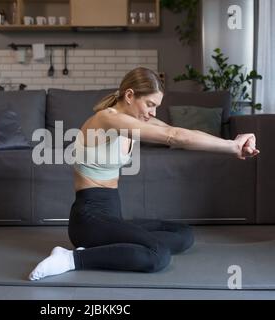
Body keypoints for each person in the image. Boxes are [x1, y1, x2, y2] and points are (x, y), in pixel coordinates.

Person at [29, 67, 260, 281]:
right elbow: (174, 137)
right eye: (150, 104)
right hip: (90, 221)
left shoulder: (132, 119)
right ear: (129, 96)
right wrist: (232, 147)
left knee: (183, 234)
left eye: (156, 107)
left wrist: (232, 143)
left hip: (112, 216)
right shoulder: (106, 119)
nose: (153, 112)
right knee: (158, 255)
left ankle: (112, 248)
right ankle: (70, 259)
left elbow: (180, 132)